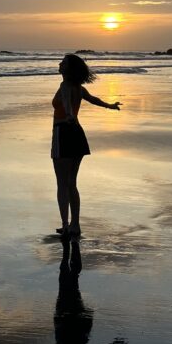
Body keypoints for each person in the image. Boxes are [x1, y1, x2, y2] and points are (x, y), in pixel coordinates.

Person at [51, 53, 120, 237]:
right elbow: (94, 99)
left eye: (63, 62)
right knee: (72, 183)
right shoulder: (79, 88)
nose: (59, 63)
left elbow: (65, 101)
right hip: (77, 134)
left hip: (63, 132)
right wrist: (110, 106)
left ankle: (65, 225)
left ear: (68, 68)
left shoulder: (65, 85)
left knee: (62, 183)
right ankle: (75, 225)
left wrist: (69, 115)